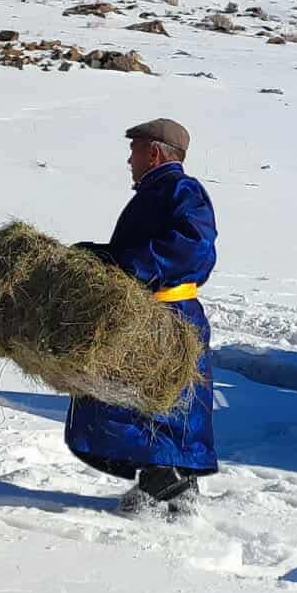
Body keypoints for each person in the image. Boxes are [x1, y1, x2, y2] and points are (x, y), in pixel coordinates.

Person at [66, 119, 218, 513]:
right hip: (150, 312)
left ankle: (162, 481)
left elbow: (194, 249)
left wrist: (122, 263)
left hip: (169, 316)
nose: (128, 159)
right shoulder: (159, 191)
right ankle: (177, 489)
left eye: (133, 149)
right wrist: (100, 255)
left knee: (138, 398)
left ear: (153, 153)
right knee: (151, 401)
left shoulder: (182, 190)